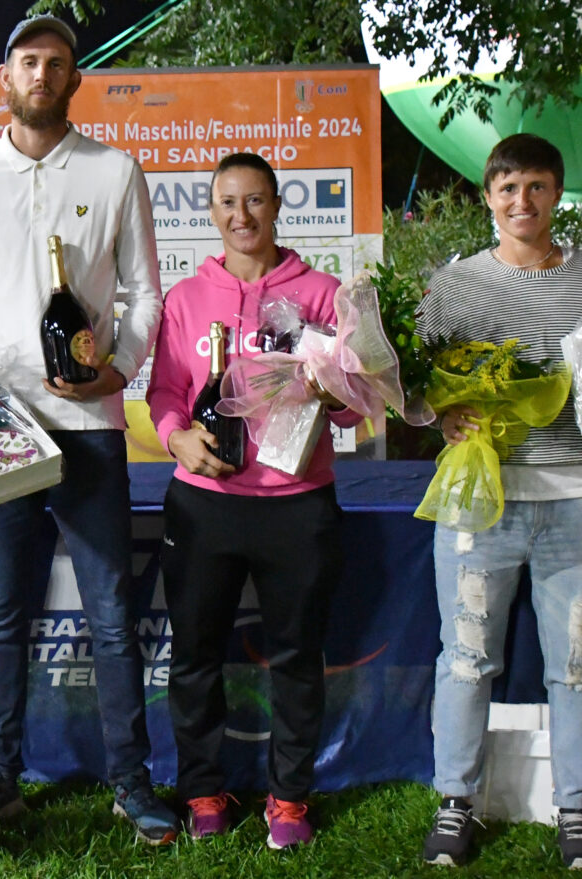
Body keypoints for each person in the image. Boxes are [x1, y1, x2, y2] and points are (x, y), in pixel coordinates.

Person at [0, 15, 177, 845]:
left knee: (110, 611)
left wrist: (120, 367)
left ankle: (131, 782)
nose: (41, 73)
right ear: (5, 76)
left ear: (76, 79)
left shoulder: (115, 171)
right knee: (2, 610)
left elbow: (145, 294)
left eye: (57, 63)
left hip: (89, 425)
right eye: (27, 61)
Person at [416, 133, 582, 870]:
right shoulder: (453, 286)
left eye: (535, 186)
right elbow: (411, 386)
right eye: (507, 188)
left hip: (580, 500)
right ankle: (455, 802)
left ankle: (577, 810)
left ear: (557, 194)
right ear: (487, 198)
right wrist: (441, 414)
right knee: (465, 659)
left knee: (579, 663)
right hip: (481, 503)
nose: (521, 201)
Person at [146, 152, 360, 849]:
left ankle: (289, 798)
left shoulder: (323, 294)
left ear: (276, 205)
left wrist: (334, 387)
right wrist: (177, 438)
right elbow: (164, 392)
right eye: (227, 202)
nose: (242, 216)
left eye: (255, 200)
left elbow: (354, 409)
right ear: (211, 212)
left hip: (298, 503)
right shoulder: (186, 298)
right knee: (194, 655)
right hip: (204, 504)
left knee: (296, 656)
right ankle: (202, 790)